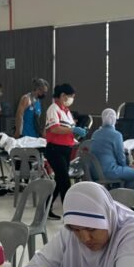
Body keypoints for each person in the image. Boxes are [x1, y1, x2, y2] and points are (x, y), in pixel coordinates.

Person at [44, 83, 86, 218]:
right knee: (65, 181)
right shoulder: (53, 109)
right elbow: (55, 128)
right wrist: (73, 129)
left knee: (59, 180)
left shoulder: (66, 111)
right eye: (70, 96)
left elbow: (68, 130)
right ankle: (70, 213)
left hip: (66, 149)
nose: (71, 99)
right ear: (62, 95)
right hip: (55, 149)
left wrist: (76, 132)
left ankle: (45, 209)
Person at [90, 109, 134, 185]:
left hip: (93, 172)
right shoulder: (116, 135)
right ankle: (123, 191)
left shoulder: (95, 133)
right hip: (108, 172)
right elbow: (121, 158)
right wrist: (126, 167)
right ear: (115, 120)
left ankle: (116, 188)